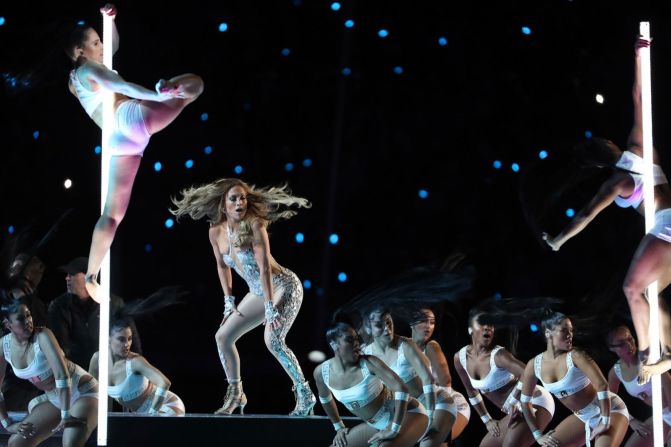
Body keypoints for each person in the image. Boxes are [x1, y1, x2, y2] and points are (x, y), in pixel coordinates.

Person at [540, 37, 671, 362]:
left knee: (632, 290)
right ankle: (666, 349)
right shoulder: (640, 145)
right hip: (667, 228)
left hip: (666, 229)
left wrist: (558, 239)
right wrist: (641, 53)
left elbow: (585, 215)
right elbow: (640, 96)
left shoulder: (618, 183)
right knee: (652, 296)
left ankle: (648, 353)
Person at [64, 4, 204, 300]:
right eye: (95, 43)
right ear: (79, 51)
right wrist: (158, 94)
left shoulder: (75, 80)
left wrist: (110, 23)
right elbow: (122, 84)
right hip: (128, 118)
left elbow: (111, 48)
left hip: (118, 141)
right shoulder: (90, 68)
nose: (102, 46)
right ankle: (171, 86)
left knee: (111, 216)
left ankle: (91, 274)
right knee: (193, 86)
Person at [170, 178, 316, 416]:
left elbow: (265, 269)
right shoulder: (215, 231)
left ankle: (305, 394)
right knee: (223, 336)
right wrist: (229, 302)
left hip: (283, 286)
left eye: (243, 198)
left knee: (273, 340)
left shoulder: (255, 225)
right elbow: (222, 266)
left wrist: (270, 307)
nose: (240, 203)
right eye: (234, 198)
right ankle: (236, 394)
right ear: (223, 204)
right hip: (257, 292)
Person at [520, 310, 629, 447]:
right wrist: (538, 435)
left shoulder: (576, 355)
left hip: (610, 410)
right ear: (548, 333)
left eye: (571, 330)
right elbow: (525, 402)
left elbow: (602, 385)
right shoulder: (534, 365)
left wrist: (605, 421)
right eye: (564, 330)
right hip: (582, 416)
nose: (569, 335)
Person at [313, 322, 429, 447]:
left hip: (409, 415)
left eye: (357, 339)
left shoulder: (369, 363)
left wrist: (393, 428)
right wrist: (339, 427)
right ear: (334, 345)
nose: (356, 343)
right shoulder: (321, 372)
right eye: (349, 340)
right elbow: (325, 398)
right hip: (377, 425)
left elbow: (401, 389)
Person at [0, 299, 98, 446]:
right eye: (21, 318)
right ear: (8, 324)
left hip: (83, 391)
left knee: (70, 443)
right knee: (16, 443)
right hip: (55, 398)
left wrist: (65, 414)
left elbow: (62, 376)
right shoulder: (3, 345)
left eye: (28, 315)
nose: (28, 321)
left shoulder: (43, 335)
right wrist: (7, 423)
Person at [454, 309, 555, 447]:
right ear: (470, 329)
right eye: (482, 323)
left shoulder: (499, 355)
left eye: (491, 324)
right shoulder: (460, 358)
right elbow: (471, 391)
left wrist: (513, 401)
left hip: (535, 401)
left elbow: (529, 373)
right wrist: (487, 420)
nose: (488, 327)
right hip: (514, 410)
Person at [362, 307, 455, 447]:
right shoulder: (365, 353)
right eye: (379, 325)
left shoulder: (406, 345)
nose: (387, 329)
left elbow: (428, 379)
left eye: (388, 322)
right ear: (368, 329)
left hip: (436, 405)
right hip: (407, 411)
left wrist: (430, 417)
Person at [88, 298, 184, 416]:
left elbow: (164, 382)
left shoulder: (134, 362)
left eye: (129, 339)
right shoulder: (97, 359)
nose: (127, 344)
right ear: (108, 339)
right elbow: (90, 392)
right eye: (121, 339)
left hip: (166, 406)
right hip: (141, 414)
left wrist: (152, 414)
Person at [48, 256, 141, 370]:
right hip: (77, 375)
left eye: (72, 273)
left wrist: (135, 371)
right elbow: (59, 349)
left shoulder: (114, 304)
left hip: (109, 372)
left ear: (89, 277)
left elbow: (134, 342)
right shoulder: (59, 306)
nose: (67, 278)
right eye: (67, 274)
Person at [410, 307, 470, 442]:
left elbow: (446, 380)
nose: (428, 326)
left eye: (432, 322)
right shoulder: (403, 349)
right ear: (411, 324)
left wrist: (441, 411)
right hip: (423, 408)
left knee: (434, 441)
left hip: (452, 404)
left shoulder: (431, 346)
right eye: (423, 321)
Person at [607, 325, 671, 446]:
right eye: (621, 343)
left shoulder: (647, 356)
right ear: (612, 348)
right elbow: (610, 400)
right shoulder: (615, 372)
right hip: (662, 415)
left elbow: (668, 383)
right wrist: (631, 420)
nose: (629, 345)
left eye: (630, 339)